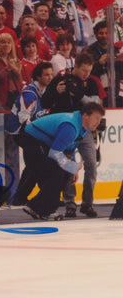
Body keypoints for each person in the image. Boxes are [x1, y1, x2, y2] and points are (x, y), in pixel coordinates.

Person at [41, 51, 102, 218]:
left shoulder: (91, 82)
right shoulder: (61, 79)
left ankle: (87, 203)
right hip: (66, 130)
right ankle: (70, 204)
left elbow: (97, 104)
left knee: (91, 164)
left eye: (89, 71)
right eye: (84, 70)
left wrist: (81, 95)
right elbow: (44, 103)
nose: (86, 74)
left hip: (85, 130)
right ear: (75, 67)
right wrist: (55, 91)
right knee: (68, 166)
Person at [22, 102, 105, 220]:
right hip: (32, 142)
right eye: (96, 118)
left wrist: (72, 170)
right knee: (56, 173)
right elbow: (55, 153)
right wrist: (73, 167)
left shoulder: (82, 127)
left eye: (100, 119)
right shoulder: (71, 126)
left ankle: (41, 207)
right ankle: (38, 207)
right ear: (85, 115)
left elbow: (69, 149)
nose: (98, 122)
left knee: (64, 173)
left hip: (41, 143)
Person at [6, 62, 53, 205]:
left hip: (32, 131)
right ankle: (44, 194)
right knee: (37, 162)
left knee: (33, 164)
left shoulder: (45, 91)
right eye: (46, 74)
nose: (50, 77)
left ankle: (20, 197)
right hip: (21, 131)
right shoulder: (30, 93)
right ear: (38, 76)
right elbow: (23, 118)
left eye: (51, 74)